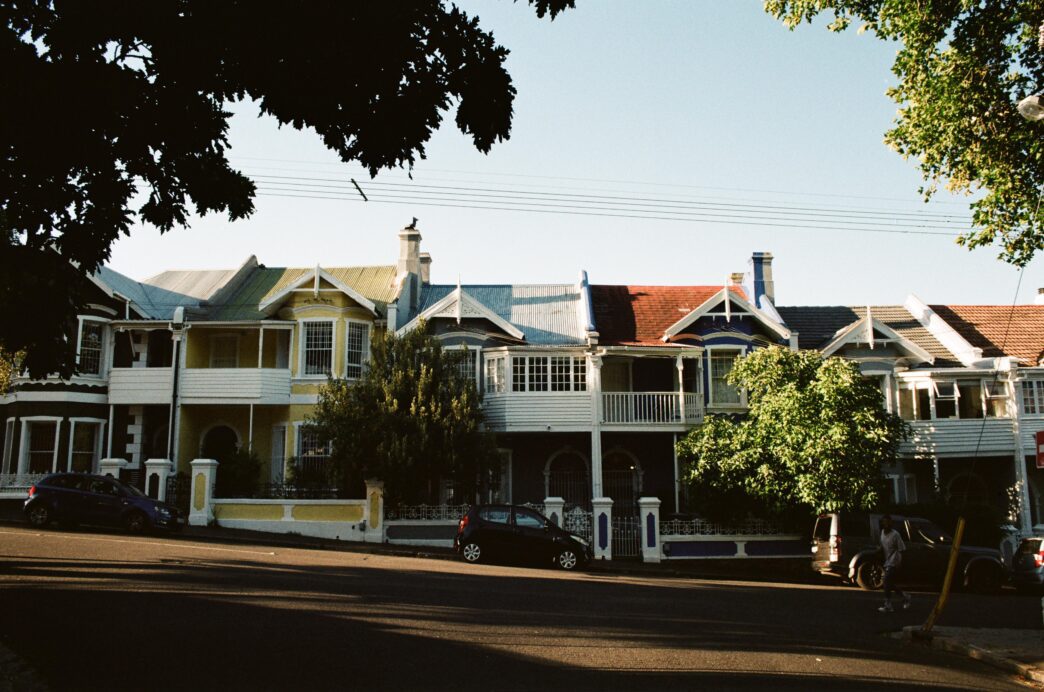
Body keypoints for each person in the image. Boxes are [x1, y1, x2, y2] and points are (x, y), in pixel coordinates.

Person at [878, 515, 912, 612]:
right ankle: (905, 596)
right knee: (889, 583)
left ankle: (888, 604)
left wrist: (901, 563)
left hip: (895, 561)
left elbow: (902, 549)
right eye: (885, 522)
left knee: (886, 580)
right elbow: (883, 546)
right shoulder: (882, 533)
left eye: (889, 522)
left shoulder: (895, 534)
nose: (887, 524)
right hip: (887, 560)